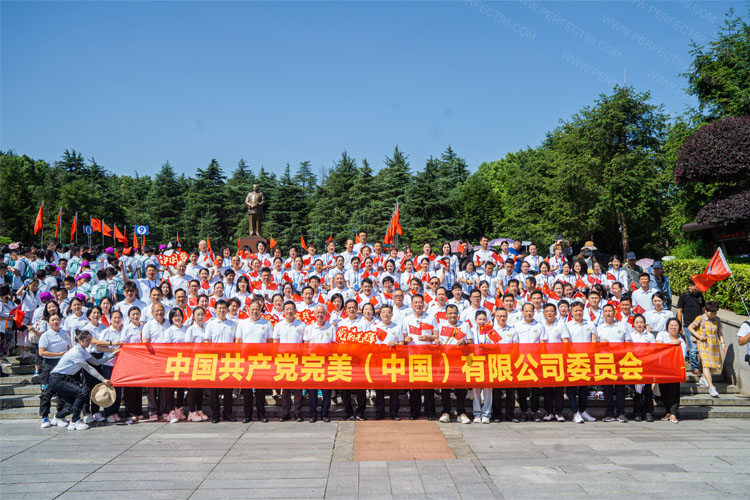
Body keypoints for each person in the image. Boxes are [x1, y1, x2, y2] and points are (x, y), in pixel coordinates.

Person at [49, 330, 118, 431]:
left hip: (65, 379)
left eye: (90, 339)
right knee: (82, 393)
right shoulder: (76, 352)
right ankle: (74, 421)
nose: (90, 342)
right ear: (80, 341)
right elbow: (89, 368)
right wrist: (103, 379)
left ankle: (57, 417)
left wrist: (113, 354)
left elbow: (97, 362)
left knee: (71, 406)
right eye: (88, 340)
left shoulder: (83, 351)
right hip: (57, 379)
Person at [235, 300, 272, 423]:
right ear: (248, 310)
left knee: (260, 389)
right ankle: (248, 415)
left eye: (257, 309)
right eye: (252, 309)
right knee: (247, 390)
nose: (255, 311)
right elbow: (238, 342)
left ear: (261, 310)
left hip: (261, 361)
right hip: (246, 361)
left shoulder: (267, 323)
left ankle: (261, 414)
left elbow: (270, 343)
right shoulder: (242, 323)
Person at [401, 294, 437, 420]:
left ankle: (430, 412)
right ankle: (414, 412)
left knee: (428, 386)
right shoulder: (407, 319)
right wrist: (406, 339)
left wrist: (428, 337)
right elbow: (404, 337)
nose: (418, 304)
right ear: (412, 305)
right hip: (413, 356)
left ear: (423, 304)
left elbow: (436, 336)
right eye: (415, 302)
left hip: (428, 356)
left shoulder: (430, 318)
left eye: (420, 302)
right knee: (414, 387)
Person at [436, 304, 471, 424]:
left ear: (458, 314)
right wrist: (436, 341)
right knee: (445, 386)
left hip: (460, 360)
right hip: (445, 360)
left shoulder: (464, 325)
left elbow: (471, 341)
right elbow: (437, 340)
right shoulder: (441, 326)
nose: (452, 315)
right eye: (450, 313)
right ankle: (446, 412)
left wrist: (464, 341)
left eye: (455, 313)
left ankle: (461, 412)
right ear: (446, 315)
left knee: (460, 386)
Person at [272, 300, 306, 421]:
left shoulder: (301, 325)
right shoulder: (279, 325)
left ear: (295, 311)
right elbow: (275, 343)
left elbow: (305, 343)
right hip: (283, 360)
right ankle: (285, 412)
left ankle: (298, 412)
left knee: (297, 388)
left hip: (297, 360)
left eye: (291, 309)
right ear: (283, 311)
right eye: (287, 309)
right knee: (285, 388)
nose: (289, 311)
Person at [596, 304, 630, 423]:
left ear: (614, 312)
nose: (608, 313)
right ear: (603, 314)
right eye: (605, 311)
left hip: (620, 360)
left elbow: (628, 343)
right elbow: (594, 346)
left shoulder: (623, 326)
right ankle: (609, 413)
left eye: (610, 311)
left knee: (620, 388)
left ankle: (621, 413)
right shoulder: (599, 328)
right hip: (605, 361)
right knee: (607, 389)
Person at [205, 300, 238, 422]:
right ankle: (215, 414)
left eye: (224, 308)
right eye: (219, 308)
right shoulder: (210, 325)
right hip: (215, 360)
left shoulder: (233, 324)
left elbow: (236, 342)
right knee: (214, 390)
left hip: (229, 360)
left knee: (228, 389)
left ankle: (227, 413)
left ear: (227, 309)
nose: (222, 310)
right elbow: (207, 342)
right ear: (215, 310)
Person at [303, 304, 336, 423]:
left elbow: (334, 344)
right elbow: (305, 345)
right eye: (318, 313)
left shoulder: (331, 327)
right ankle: (313, 414)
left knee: (326, 390)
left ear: (326, 314)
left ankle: (325, 413)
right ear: (314, 314)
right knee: (312, 390)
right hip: (313, 361)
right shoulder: (309, 327)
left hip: (326, 362)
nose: (320, 315)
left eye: (322, 313)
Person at [37, 311, 70, 428]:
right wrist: (58, 354)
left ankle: (59, 416)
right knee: (46, 392)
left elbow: (68, 347)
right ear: (48, 322)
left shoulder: (64, 333)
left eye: (57, 319)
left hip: (62, 365)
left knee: (62, 392)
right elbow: (42, 352)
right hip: (49, 365)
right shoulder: (45, 335)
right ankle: (44, 417)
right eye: (53, 320)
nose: (55, 322)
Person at [566, 302, 597, 423]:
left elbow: (593, 341)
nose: (578, 313)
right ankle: (575, 412)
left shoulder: (590, 324)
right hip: (572, 359)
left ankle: (583, 410)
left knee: (584, 387)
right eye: (575, 311)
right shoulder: (567, 325)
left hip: (586, 359)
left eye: (580, 310)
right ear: (571, 312)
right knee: (572, 388)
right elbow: (566, 342)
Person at [688, 301, 725, 398]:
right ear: (706, 311)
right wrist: (699, 336)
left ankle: (704, 378)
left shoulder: (717, 320)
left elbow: (719, 332)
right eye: (711, 313)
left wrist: (723, 343)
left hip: (714, 344)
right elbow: (690, 327)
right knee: (706, 365)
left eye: (715, 312)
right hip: (703, 344)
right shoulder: (700, 318)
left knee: (715, 366)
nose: (713, 315)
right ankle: (711, 387)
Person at [630, 313, 655, 422]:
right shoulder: (631, 335)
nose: (639, 324)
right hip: (635, 365)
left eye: (641, 322)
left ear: (644, 323)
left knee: (648, 389)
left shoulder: (649, 336)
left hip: (647, 365)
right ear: (633, 324)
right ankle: (638, 412)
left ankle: (648, 412)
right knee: (637, 390)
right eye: (637, 322)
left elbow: (653, 350)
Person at [676, 280, 705, 377]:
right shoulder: (683, 296)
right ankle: (694, 367)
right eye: (696, 286)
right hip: (688, 325)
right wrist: (680, 325)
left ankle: (691, 359)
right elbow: (679, 311)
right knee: (693, 347)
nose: (698, 288)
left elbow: (703, 309)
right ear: (690, 286)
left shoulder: (700, 296)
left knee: (699, 347)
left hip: (699, 326)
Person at [657, 318, 684, 423]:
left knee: (674, 391)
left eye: (676, 325)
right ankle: (668, 412)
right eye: (671, 325)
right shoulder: (662, 335)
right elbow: (659, 348)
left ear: (679, 327)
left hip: (675, 369)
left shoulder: (681, 340)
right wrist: (673, 344)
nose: (673, 327)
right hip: (662, 368)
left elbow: (683, 354)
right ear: (667, 327)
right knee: (664, 391)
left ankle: (673, 413)